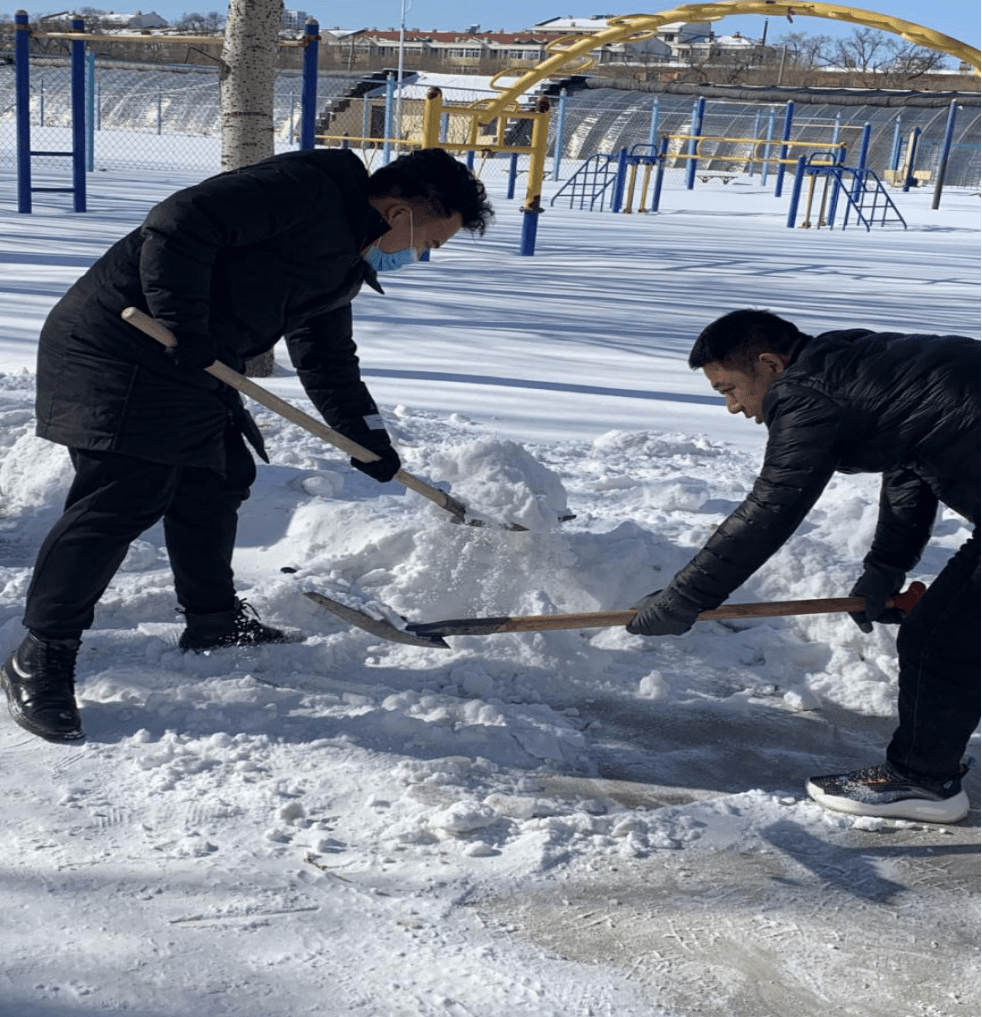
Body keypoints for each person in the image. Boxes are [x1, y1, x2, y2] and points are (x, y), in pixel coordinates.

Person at [1, 146, 494, 744]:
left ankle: (212, 622)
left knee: (217, 478)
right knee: (125, 495)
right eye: (429, 243)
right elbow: (180, 222)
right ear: (399, 214)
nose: (423, 256)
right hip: (117, 345)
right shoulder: (305, 189)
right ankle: (41, 654)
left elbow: (327, 355)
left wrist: (366, 437)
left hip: (186, 362)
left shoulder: (343, 258)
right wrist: (184, 321)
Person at [627, 309, 979, 824]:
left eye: (730, 389)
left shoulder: (806, 394)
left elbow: (771, 509)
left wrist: (684, 599)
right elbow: (914, 457)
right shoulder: (852, 360)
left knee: (939, 642)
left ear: (769, 364)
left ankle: (923, 780)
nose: (731, 407)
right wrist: (886, 565)